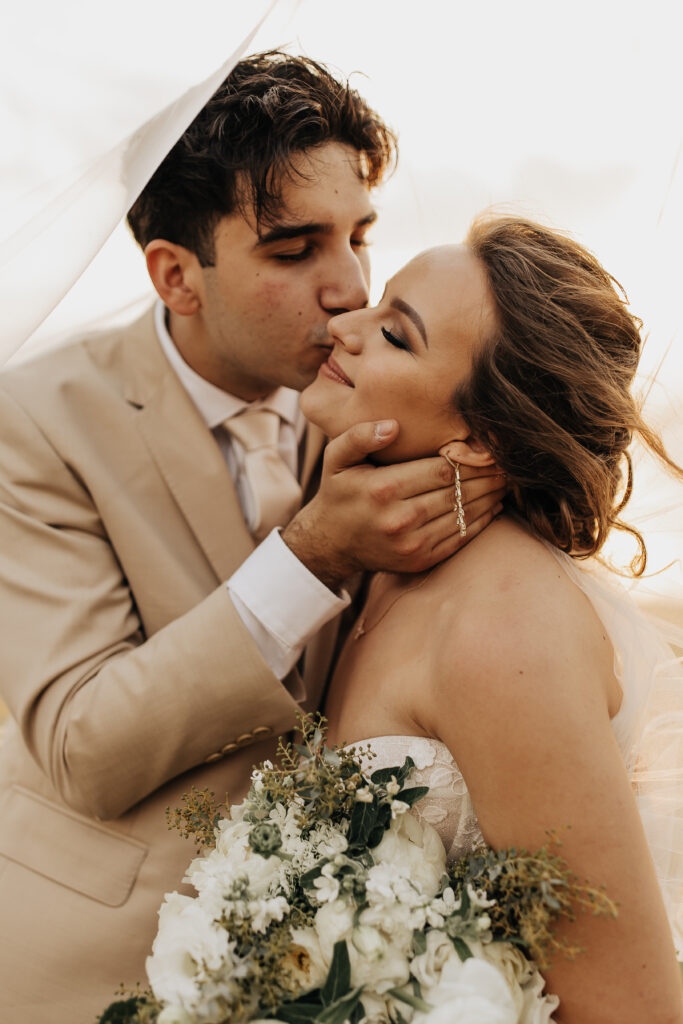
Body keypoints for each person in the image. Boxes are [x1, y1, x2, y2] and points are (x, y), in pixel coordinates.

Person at [0, 53, 504, 1023]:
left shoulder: (369, 396)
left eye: (359, 235)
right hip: (84, 972)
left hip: (330, 968)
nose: (350, 287)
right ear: (175, 276)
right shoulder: (33, 423)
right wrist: (311, 554)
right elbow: (82, 745)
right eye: (292, 251)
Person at [301, 215, 683, 1023]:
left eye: (396, 335)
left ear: (480, 438)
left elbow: (631, 1007)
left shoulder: (503, 627)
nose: (344, 324)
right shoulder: (383, 562)